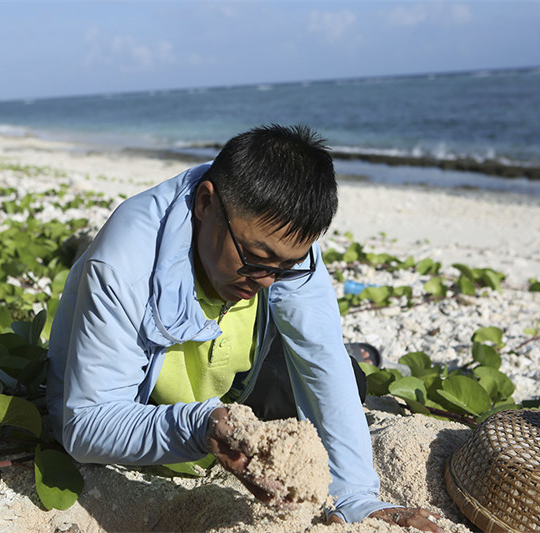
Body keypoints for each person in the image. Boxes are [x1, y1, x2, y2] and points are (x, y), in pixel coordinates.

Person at [46, 124, 442, 532]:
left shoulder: (281, 241)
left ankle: (358, 353)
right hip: (147, 402)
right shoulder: (122, 265)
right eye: (255, 259)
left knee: (349, 377)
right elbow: (85, 425)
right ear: (205, 203)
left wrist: (357, 496)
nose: (268, 281)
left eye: (285, 267)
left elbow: (320, 356)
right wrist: (202, 426)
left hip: (230, 377)